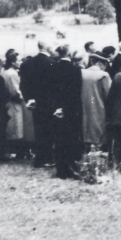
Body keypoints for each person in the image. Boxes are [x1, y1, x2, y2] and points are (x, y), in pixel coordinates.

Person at [20, 41, 56, 168]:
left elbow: (23, 84)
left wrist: (29, 99)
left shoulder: (28, 63)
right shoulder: (52, 63)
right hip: (49, 101)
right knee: (49, 130)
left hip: (35, 102)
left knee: (39, 129)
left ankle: (40, 157)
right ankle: (47, 157)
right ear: (47, 47)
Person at [52, 44, 84, 179]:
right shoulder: (75, 69)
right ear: (69, 53)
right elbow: (76, 91)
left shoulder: (52, 67)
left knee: (58, 138)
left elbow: (49, 90)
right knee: (71, 138)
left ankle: (60, 167)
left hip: (55, 107)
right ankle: (70, 165)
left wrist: (56, 106)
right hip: (71, 108)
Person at [81, 53, 112, 149]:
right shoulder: (103, 75)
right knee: (98, 133)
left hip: (83, 107)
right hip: (98, 107)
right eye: (105, 64)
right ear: (99, 63)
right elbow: (109, 94)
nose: (106, 67)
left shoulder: (81, 72)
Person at [1, 50, 27, 156]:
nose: (20, 62)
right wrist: (23, 98)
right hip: (14, 103)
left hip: (7, 102)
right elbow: (15, 91)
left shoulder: (4, 72)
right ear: (13, 62)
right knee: (16, 125)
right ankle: (15, 150)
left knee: (11, 125)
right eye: (18, 61)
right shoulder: (12, 74)